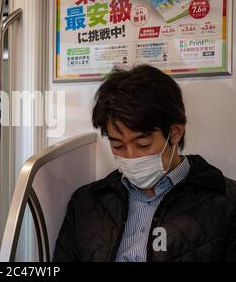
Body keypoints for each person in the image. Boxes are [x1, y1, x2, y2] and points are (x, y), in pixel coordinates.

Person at [53, 65, 236, 262]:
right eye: (118, 146)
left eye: (143, 144)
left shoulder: (226, 202)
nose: (131, 157)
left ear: (175, 132)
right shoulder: (86, 203)